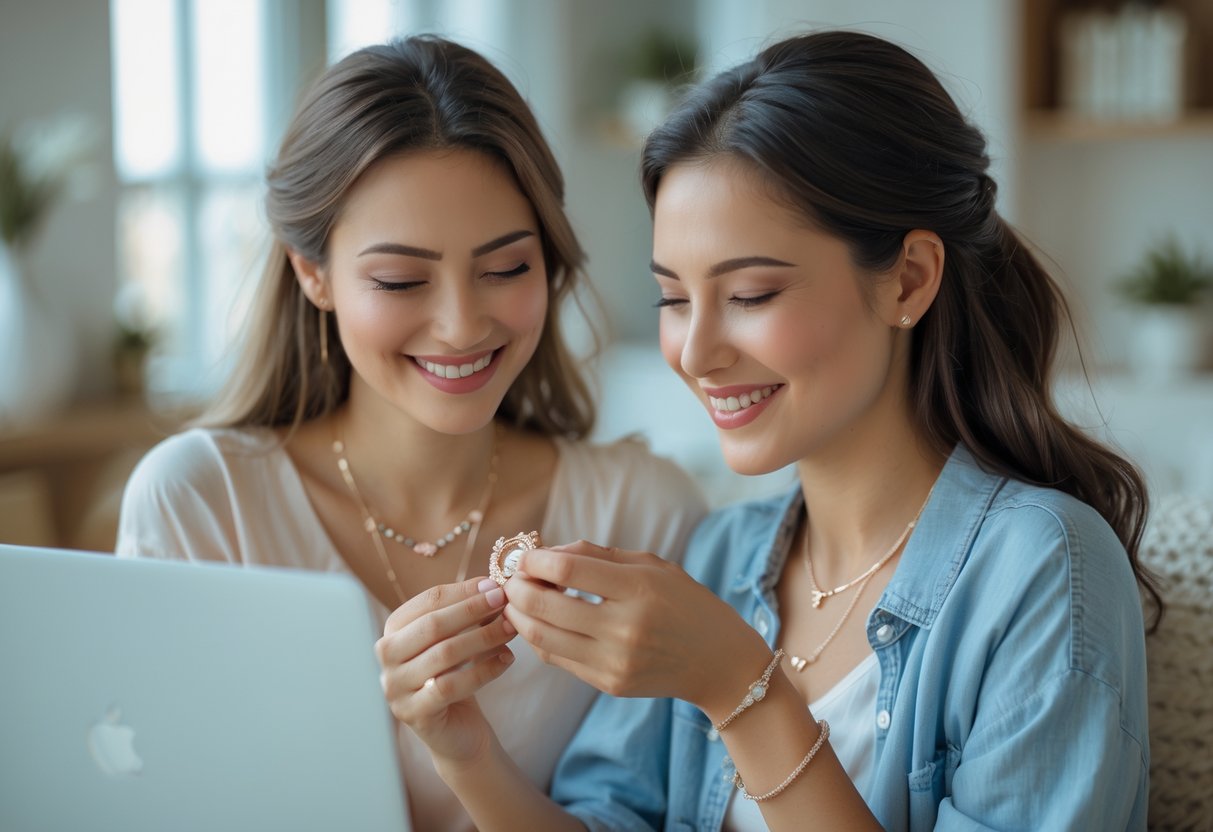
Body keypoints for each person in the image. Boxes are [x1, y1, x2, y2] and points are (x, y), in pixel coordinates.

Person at [381, 30, 1156, 830]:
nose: (697, 352)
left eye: (749, 294)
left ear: (909, 279)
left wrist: (739, 689)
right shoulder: (720, 557)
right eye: (674, 299)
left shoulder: (1041, 571)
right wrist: (461, 747)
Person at [115, 36, 708, 831]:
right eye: (400, 280)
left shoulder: (643, 516)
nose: (462, 325)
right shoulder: (202, 501)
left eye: (505, 269)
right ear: (312, 273)